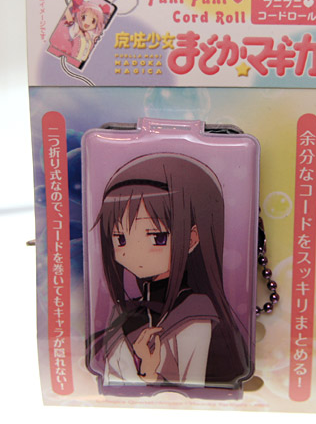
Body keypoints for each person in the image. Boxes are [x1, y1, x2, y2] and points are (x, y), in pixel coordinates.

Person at [91, 153, 249, 390]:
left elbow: (194, 388)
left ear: (192, 239)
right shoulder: (124, 312)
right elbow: (113, 378)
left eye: (157, 237)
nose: (134, 252)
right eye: (120, 239)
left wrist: (151, 375)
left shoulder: (197, 315)